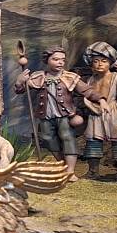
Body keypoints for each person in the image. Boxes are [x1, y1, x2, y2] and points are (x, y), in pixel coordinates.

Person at [15, 47, 104, 179]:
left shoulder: (70, 77)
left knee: (67, 137)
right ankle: (63, 165)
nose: (60, 62)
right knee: (47, 138)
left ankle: (70, 171)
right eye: (56, 59)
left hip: (64, 115)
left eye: (62, 60)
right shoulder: (38, 77)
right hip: (45, 115)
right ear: (47, 60)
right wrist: (19, 82)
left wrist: (100, 99)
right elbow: (21, 90)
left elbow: (86, 90)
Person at [81, 41, 117, 183]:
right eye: (96, 61)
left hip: (113, 113)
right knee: (93, 142)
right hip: (95, 115)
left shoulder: (116, 78)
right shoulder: (90, 80)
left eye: (104, 61)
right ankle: (93, 171)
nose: (99, 64)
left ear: (110, 62)